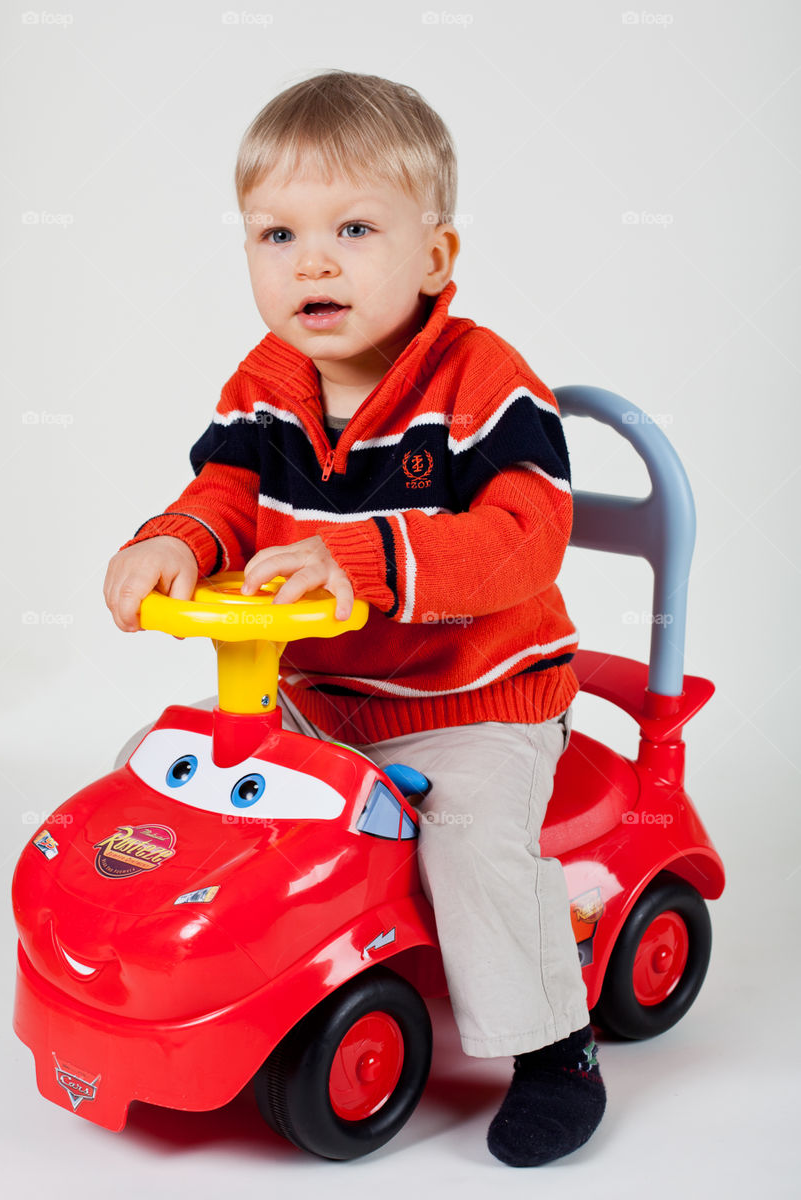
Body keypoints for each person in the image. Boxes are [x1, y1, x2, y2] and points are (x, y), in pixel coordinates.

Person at [103, 69, 606, 1166]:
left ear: (434, 256)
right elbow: (224, 494)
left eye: (354, 228)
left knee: (472, 838)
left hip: (470, 701)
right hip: (320, 700)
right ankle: (205, 975)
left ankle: (554, 1046)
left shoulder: (482, 382)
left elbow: (525, 534)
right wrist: (176, 541)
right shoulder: (266, 380)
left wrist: (363, 555)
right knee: (167, 771)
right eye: (276, 232)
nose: (312, 260)